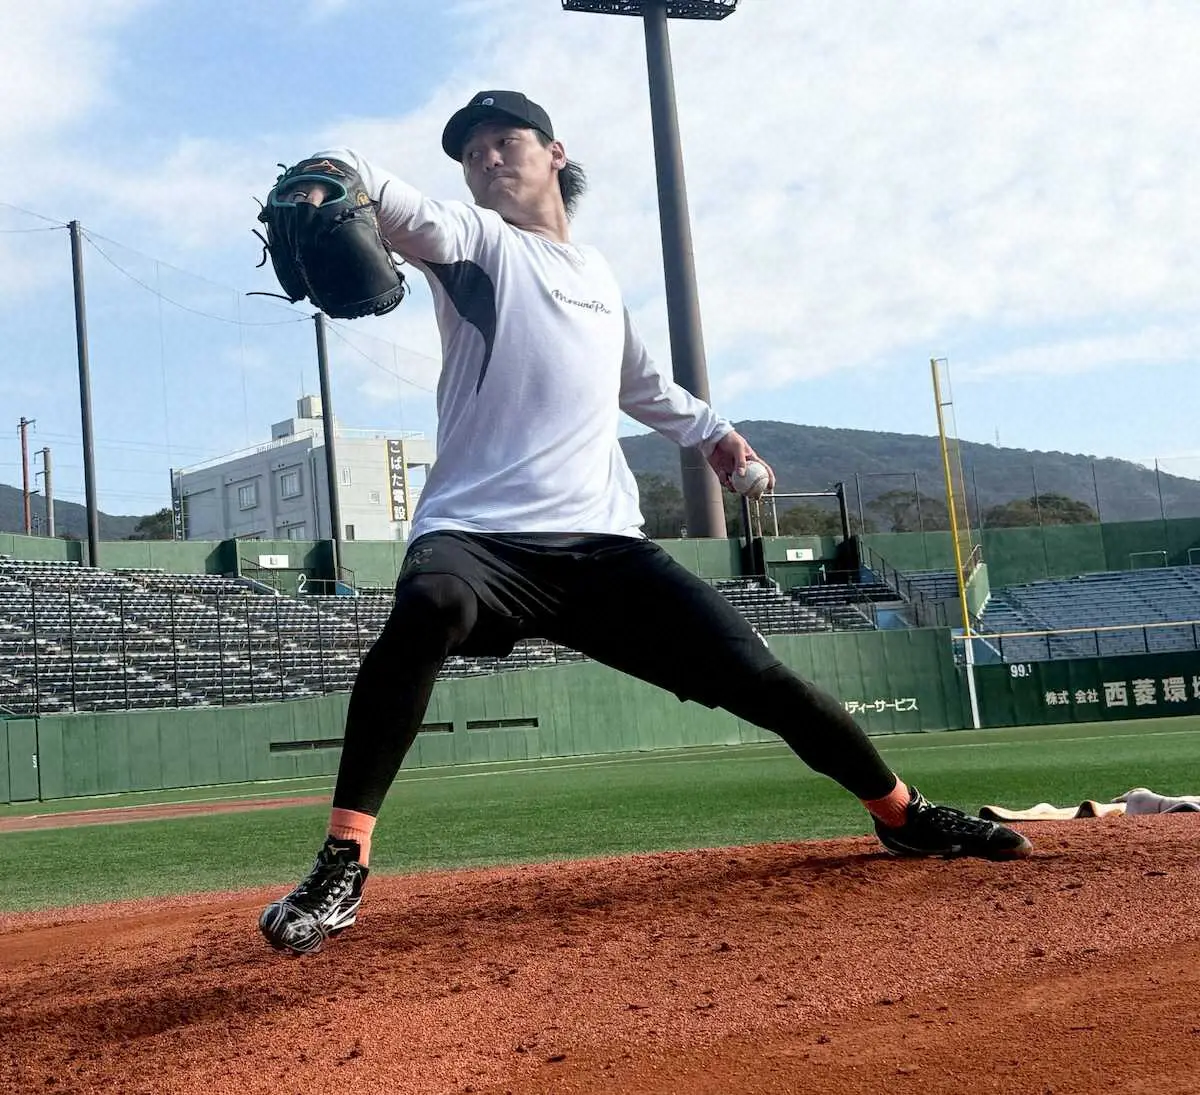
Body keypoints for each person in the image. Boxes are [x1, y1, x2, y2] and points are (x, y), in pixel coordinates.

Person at [259, 91, 1032, 956]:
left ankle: (902, 814)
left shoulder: (596, 275)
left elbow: (640, 383)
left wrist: (716, 435)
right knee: (430, 604)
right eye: (471, 153)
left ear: (555, 153)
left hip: (604, 548)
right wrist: (328, 177)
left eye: (505, 140)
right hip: (479, 536)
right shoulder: (475, 241)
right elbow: (374, 184)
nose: (486, 158)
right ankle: (344, 860)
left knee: (760, 677)